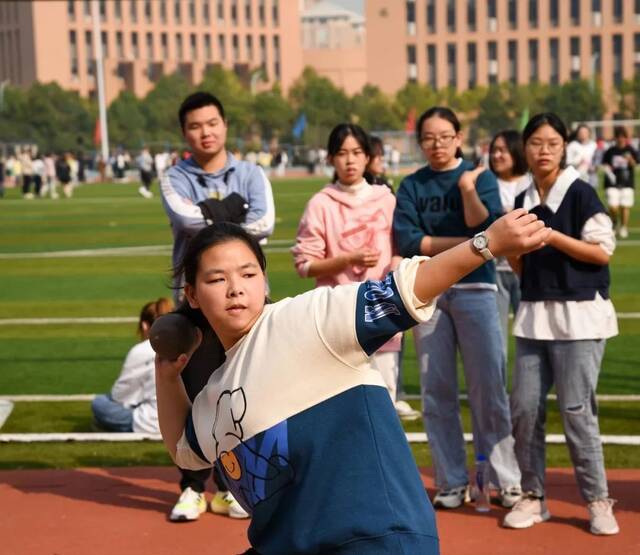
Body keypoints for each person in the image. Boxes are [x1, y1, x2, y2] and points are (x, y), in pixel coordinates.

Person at [155, 211, 549, 554]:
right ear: (191, 294)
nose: (235, 288)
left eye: (248, 273)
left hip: (374, 540)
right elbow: (184, 450)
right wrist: (165, 372)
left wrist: (487, 243)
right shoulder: (213, 398)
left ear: (265, 282)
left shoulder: (310, 319)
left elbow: (408, 288)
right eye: (216, 279)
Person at [392, 106, 522, 510]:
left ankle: (505, 479)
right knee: (436, 391)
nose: (436, 144)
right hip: (428, 293)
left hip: (476, 291)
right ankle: (451, 481)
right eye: (428, 138)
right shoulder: (412, 185)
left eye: (445, 136)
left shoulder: (479, 179)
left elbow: (487, 228)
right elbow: (408, 242)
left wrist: (467, 192)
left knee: (489, 389)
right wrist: (472, 245)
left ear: (459, 137)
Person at [160, 91, 275, 522]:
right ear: (185, 133)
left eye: (212, 123)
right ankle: (191, 486)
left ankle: (232, 486)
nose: (205, 132)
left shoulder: (252, 172)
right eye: (195, 126)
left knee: (245, 390)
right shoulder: (174, 177)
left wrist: (214, 215)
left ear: (225, 125)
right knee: (193, 391)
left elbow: (266, 222)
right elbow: (185, 218)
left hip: (246, 301)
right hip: (193, 304)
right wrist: (234, 214)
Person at [504, 112, 620, 536]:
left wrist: (552, 237)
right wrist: (517, 256)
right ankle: (533, 495)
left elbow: (602, 251)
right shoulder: (521, 200)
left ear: (564, 146)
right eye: (535, 143)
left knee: (576, 411)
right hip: (535, 316)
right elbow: (517, 263)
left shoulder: (582, 194)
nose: (544, 150)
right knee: (525, 409)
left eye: (552, 143)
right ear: (525, 147)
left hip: (580, 317)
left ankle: (596, 499)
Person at [291, 123, 418, 421]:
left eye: (357, 152)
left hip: (381, 309)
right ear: (330, 159)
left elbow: (402, 245)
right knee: (339, 400)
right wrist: (347, 259)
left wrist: (396, 263)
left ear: (368, 157)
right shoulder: (320, 204)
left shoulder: (386, 199)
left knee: (383, 395)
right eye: (342, 153)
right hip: (336, 314)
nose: (350, 161)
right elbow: (305, 265)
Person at [92, 298, 174, 433]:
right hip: (183, 418)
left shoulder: (142, 350)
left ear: (144, 326)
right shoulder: (185, 344)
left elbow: (119, 396)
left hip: (151, 421)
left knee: (100, 402)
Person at [489, 129, 530, 362]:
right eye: (494, 150)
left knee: (531, 336)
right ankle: (498, 394)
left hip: (527, 269)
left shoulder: (531, 183)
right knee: (495, 339)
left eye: (502, 150)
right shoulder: (487, 183)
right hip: (494, 270)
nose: (497, 155)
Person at [602, 126, 639, 239]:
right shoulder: (610, 151)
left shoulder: (631, 149)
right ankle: (614, 223)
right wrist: (609, 170)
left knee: (625, 206)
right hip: (612, 183)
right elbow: (605, 164)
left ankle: (624, 227)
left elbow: (635, 165)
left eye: (623, 137)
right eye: (619, 137)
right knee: (613, 206)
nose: (621, 139)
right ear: (616, 138)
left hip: (627, 182)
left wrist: (630, 160)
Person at [567, 124, 598, 188]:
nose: (583, 134)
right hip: (575, 176)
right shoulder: (572, 145)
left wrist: (594, 167)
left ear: (589, 133)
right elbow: (567, 162)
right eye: (581, 132)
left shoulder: (594, 145)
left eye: (585, 132)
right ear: (577, 133)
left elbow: (597, 160)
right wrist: (578, 162)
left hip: (590, 176)